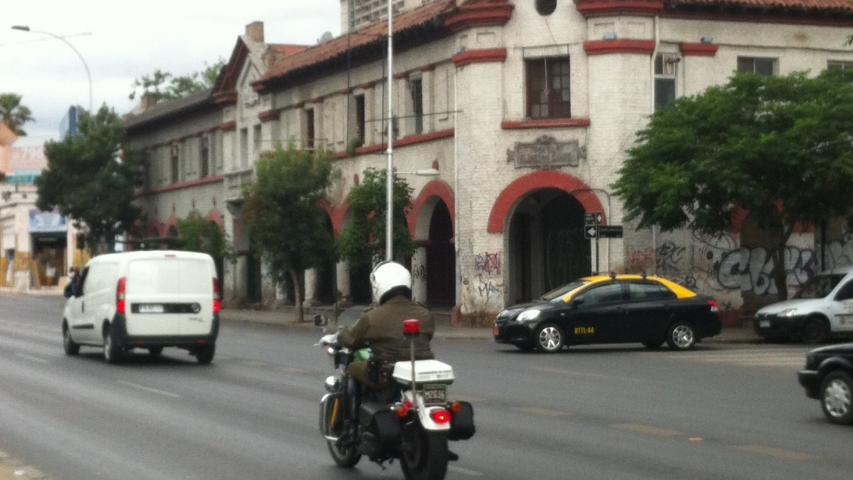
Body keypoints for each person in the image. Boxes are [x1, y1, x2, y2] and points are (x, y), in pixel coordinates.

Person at [338, 261, 435, 390]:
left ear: (378, 286)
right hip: (423, 370)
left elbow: (350, 340)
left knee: (352, 367)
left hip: (387, 374)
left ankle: (351, 409)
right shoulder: (426, 314)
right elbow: (427, 337)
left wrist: (340, 335)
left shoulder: (372, 316)